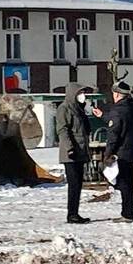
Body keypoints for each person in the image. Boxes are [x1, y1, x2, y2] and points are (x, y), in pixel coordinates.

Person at [105, 79, 133, 222]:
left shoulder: (117, 110)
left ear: (116, 94)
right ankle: (128, 212)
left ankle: (127, 214)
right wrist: (103, 116)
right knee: (128, 184)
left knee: (122, 183)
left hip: (121, 152)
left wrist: (108, 152)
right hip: (132, 150)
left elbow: (114, 133)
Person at [59, 84, 96, 224]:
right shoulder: (64, 109)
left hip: (80, 151)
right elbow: (63, 130)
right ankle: (72, 214)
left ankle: (75, 212)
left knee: (78, 184)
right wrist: (69, 148)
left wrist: (86, 108)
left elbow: (86, 129)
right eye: (80, 92)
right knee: (74, 184)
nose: (83, 95)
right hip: (71, 153)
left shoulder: (78, 109)